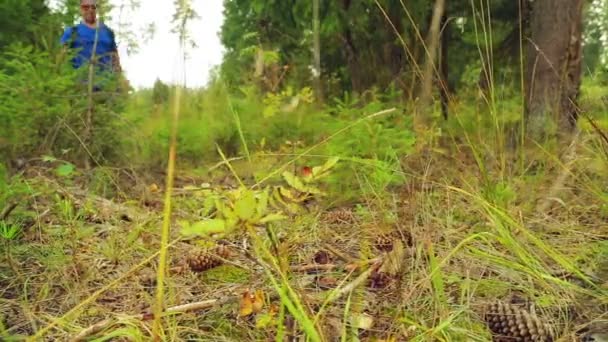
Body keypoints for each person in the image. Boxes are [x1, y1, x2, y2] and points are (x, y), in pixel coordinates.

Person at [60, 0, 125, 92]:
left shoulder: (107, 32)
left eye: (93, 7)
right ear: (80, 9)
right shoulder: (72, 32)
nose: (90, 10)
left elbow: (115, 58)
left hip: (107, 88)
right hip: (80, 88)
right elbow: (62, 59)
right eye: (86, 7)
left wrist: (119, 81)